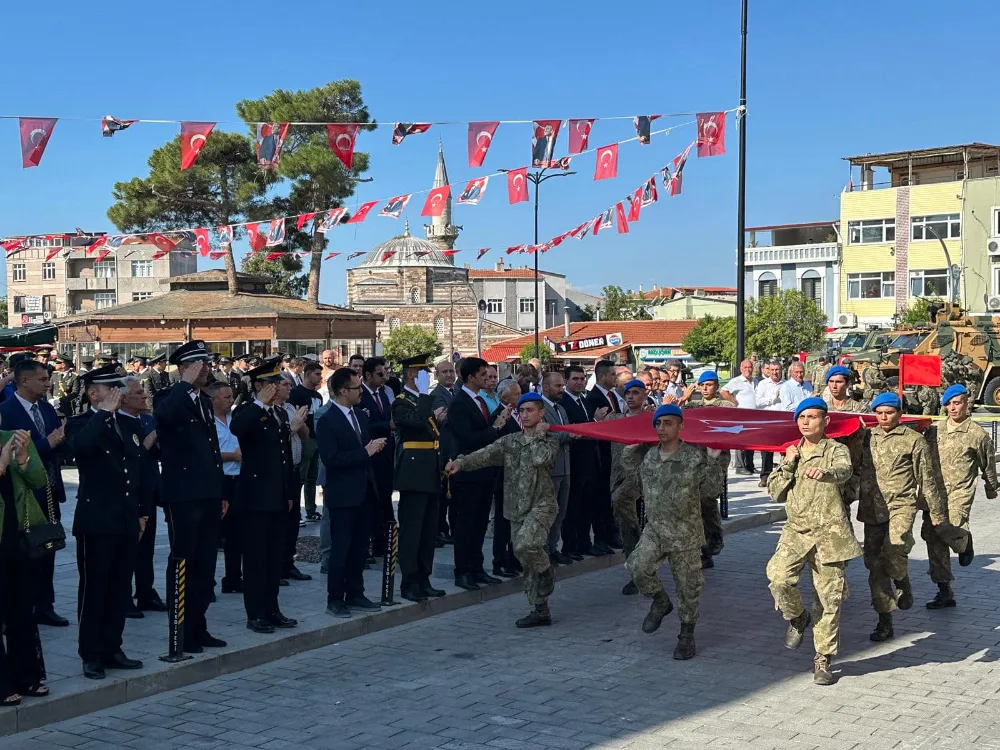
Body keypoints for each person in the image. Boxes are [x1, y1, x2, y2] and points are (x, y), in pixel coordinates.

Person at [765, 397, 860, 685]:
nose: (806, 422)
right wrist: (788, 464)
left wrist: (827, 473)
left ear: (825, 421)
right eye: (802, 417)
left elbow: (845, 471)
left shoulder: (836, 450)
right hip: (796, 532)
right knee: (778, 578)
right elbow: (775, 492)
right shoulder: (790, 452)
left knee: (828, 599)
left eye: (813, 416)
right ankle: (797, 617)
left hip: (830, 535)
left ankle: (823, 658)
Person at [447, 392, 559, 627]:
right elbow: (486, 454)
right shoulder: (511, 441)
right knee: (526, 560)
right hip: (516, 508)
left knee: (525, 545)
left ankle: (547, 570)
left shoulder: (549, 440)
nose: (525, 415)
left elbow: (541, 460)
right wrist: (461, 462)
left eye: (530, 410)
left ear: (541, 414)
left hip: (541, 505)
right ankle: (540, 609)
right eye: (523, 411)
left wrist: (539, 435)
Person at [620, 404, 723, 659]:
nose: (661, 428)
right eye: (658, 423)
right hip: (655, 530)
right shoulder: (650, 457)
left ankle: (686, 635)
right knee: (637, 567)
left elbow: (711, 491)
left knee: (688, 589)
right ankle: (660, 601)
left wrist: (713, 459)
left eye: (667, 423)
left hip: (685, 534)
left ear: (681, 427)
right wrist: (630, 451)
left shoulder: (694, 457)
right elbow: (634, 479)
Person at [66, 366, 147, 680]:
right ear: (93, 394)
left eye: (119, 387)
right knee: (94, 589)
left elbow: (135, 471)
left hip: (124, 519)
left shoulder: (126, 424)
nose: (118, 393)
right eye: (110, 388)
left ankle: (113, 646)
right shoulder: (82, 423)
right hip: (96, 521)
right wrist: (102, 414)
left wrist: (141, 512)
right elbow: (81, 449)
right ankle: (91, 653)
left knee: (118, 589)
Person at [866, 392, 965, 642]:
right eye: (879, 413)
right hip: (872, 509)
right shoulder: (866, 437)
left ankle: (899, 578)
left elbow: (926, 478)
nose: (883, 417)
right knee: (874, 565)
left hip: (902, 506)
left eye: (888, 412)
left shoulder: (913, 440)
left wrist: (937, 513)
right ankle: (885, 617)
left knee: (894, 548)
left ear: (899, 414)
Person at [154, 340, 226, 652]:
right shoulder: (169, 397)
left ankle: (199, 626)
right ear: (184, 368)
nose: (207, 369)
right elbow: (165, 417)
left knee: (205, 564)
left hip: (208, 494)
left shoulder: (204, 400)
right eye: (201, 364)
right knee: (184, 561)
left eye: (207, 364)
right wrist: (182, 384)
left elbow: (213, 450)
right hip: (183, 496)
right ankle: (179, 631)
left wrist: (221, 491)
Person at [230, 358, 300, 634]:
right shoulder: (249, 410)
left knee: (272, 559)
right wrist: (259, 401)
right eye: (270, 384)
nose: (275, 389)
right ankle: (255, 613)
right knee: (257, 560)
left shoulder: (278, 414)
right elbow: (237, 429)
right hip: (255, 498)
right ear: (259, 385)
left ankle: (272, 609)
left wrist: (288, 493)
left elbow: (283, 458)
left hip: (276, 497)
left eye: (277, 384)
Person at [0, 359, 70, 628]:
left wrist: (64, 440)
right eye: (41, 379)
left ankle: (45, 605)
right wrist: (46, 443)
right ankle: (17, 607)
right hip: (23, 495)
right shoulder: (6, 412)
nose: (47, 383)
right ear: (25, 381)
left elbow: (58, 445)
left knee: (48, 546)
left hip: (49, 490)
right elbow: (18, 454)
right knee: (20, 552)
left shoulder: (47, 409)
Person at [317, 367, 387, 617]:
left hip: (365, 490)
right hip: (343, 494)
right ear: (343, 391)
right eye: (357, 388)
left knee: (360, 548)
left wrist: (373, 448)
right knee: (341, 548)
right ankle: (335, 598)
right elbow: (331, 458)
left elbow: (364, 447)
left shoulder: (360, 415)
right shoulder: (327, 419)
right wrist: (364, 452)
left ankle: (355, 592)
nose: (361, 393)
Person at [922, 384, 996, 609]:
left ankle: (964, 542)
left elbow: (988, 464)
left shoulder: (977, 434)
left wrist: (991, 488)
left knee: (949, 527)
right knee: (932, 538)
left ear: (967, 404)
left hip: (959, 492)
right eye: (949, 404)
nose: (953, 408)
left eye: (957, 403)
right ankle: (944, 591)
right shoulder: (934, 430)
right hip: (934, 492)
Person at [449, 357, 513, 590]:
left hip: (486, 471)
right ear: (471, 377)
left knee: (479, 523)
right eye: (483, 374)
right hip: (468, 472)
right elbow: (468, 438)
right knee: (466, 523)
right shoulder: (459, 403)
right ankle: (463, 570)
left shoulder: (481, 400)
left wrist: (499, 421)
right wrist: (495, 427)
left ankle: (477, 567)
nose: (487, 378)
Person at [391, 354, 447, 603]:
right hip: (413, 473)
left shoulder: (422, 399)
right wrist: (425, 397)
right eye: (423, 373)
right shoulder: (402, 402)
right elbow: (413, 423)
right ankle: (409, 582)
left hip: (431, 471)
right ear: (413, 375)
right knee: (412, 530)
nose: (428, 377)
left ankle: (424, 578)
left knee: (428, 530)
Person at [0, 427, 50, 706]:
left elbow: (40, 480)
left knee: (22, 611)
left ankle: (27, 675)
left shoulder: (11, 436)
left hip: (20, 539)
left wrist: (22, 459)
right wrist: (2, 464)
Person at [116, 377, 167, 616]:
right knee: (128, 549)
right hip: (127, 494)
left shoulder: (147, 419)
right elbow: (126, 457)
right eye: (138, 393)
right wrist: (145, 445)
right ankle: (123, 597)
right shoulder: (117, 422)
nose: (145, 395)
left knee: (147, 547)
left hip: (148, 489)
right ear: (123, 398)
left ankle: (146, 592)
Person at [680, 371, 732, 568]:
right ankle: (702, 549)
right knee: (694, 502)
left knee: (707, 498)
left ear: (716, 386)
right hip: (695, 459)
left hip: (716, 460)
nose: (705, 388)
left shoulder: (724, 406)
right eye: (702, 385)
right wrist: (683, 399)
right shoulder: (692, 405)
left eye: (709, 384)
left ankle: (713, 541)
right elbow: (670, 416)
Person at [608, 379, 652, 593]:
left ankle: (642, 569)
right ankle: (637, 569)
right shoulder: (615, 419)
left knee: (626, 509)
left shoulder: (651, 421)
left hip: (640, 478)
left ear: (644, 396)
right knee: (627, 528)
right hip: (617, 477)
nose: (631, 397)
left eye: (636, 392)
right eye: (628, 393)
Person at [585, 359, 623, 553]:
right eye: (612, 374)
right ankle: (601, 537)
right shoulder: (593, 398)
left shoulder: (613, 396)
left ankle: (611, 533)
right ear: (602, 377)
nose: (615, 377)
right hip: (601, 455)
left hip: (614, 454)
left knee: (610, 498)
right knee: (600, 499)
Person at [360, 357, 396, 563]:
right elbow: (363, 424)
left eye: (386, 373)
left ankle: (384, 544)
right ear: (368, 375)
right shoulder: (360, 394)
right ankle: (369, 544)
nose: (385, 378)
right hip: (369, 453)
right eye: (380, 374)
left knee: (385, 498)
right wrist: (386, 426)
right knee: (370, 501)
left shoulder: (383, 394)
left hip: (385, 454)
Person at [275, 374, 309, 582]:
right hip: (279, 472)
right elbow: (276, 441)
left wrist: (301, 423)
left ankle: (289, 563)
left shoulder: (289, 408)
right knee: (280, 520)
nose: (290, 388)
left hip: (294, 469)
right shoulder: (272, 412)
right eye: (285, 385)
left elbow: (304, 435)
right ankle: (276, 566)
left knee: (294, 519)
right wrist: (293, 427)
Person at [211, 382, 243, 595]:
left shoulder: (235, 420)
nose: (231, 401)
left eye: (232, 397)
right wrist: (232, 456)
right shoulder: (208, 423)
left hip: (238, 480)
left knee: (236, 535)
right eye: (226, 397)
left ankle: (233, 578)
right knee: (213, 535)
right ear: (213, 399)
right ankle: (207, 583)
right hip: (218, 480)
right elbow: (208, 452)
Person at [540, 371, 574, 566]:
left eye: (562, 386)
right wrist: (570, 436)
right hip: (551, 468)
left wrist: (569, 434)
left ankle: (553, 548)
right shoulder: (541, 408)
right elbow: (549, 434)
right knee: (548, 513)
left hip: (565, 466)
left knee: (560, 513)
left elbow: (565, 430)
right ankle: (544, 550)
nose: (561, 390)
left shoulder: (561, 409)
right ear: (546, 387)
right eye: (558, 386)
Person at [491, 378, 522, 577]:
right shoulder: (498, 415)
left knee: (516, 518)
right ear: (505, 397)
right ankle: (500, 560)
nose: (521, 397)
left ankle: (514, 557)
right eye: (517, 394)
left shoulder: (519, 413)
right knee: (503, 520)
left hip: (519, 474)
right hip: (504, 475)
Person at [289, 361, 324, 522]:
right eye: (317, 374)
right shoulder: (296, 393)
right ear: (308, 373)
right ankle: (296, 510)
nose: (320, 377)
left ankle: (311, 509)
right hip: (304, 438)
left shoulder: (317, 396)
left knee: (312, 477)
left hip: (317, 438)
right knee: (300, 476)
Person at [431, 359, 457, 545]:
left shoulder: (455, 392)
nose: (449, 375)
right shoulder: (436, 395)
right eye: (444, 372)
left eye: (451, 371)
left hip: (457, 449)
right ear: (437, 375)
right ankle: (440, 528)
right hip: (444, 449)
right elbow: (443, 418)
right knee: (443, 494)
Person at [722, 359, 758, 475]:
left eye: (750, 367)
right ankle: (739, 466)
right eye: (745, 367)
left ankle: (750, 465)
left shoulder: (755, 381)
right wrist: (734, 401)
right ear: (741, 369)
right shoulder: (736, 381)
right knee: (741, 441)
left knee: (752, 441)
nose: (748, 370)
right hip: (741, 415)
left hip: (754, 415)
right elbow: (723, 391)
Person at [755, 362, 785, 486]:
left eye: (777, 369)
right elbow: (757, 402)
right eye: (772, 370)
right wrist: (773, 398)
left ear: (781, 370)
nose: (774, 372)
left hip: (783, 421)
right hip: (767, 421)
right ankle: (765, 476)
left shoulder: (786, 385)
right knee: (766, 451)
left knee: (785, 450)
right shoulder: (762, 384)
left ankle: (784, 476)